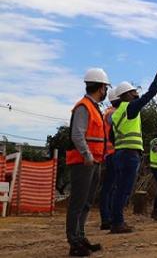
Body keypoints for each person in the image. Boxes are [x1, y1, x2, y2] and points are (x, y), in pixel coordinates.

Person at [110, 67, 157, 234]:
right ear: (126, 95)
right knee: (124, 189)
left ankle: (116, 220)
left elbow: (112, 137)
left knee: (119, 188)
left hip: (119, 154)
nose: (136, 94)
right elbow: (149, 95)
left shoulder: (116, 114)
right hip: (129, 154)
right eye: (133, 92)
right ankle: (118, 223)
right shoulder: (130, 108)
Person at [65, 68, 109, 256]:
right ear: (100, 88)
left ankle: (80, 237)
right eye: (105, 88)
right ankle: (74, 242)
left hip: (93, 162)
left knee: (86, 202)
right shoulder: (84, 106)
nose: (106, 91)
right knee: (78, 202)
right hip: (84, 162)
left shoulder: (93, 107)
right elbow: (77, 135)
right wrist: (87, 155)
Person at [98, 89, 119, 230]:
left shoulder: (107, 112)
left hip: (110, 153)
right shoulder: (112, 113)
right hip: (112, 153)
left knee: (111, 187)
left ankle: (109, 216)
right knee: (109, 187)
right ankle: (106, 218)